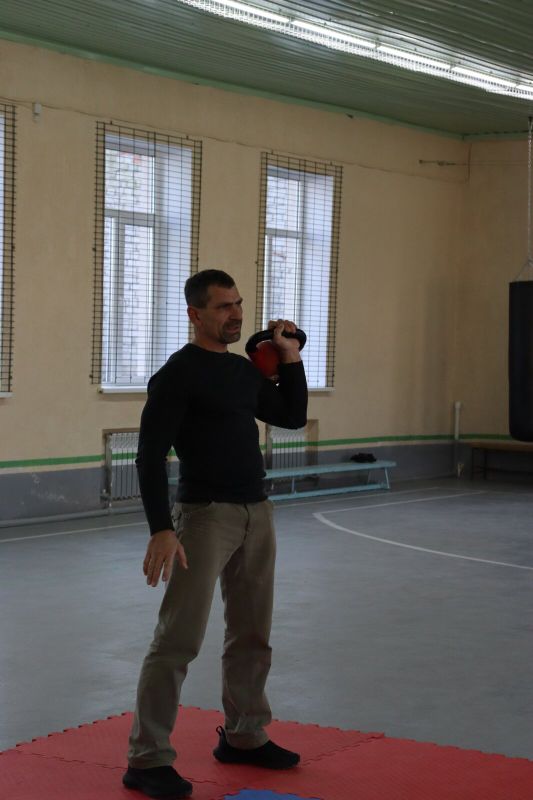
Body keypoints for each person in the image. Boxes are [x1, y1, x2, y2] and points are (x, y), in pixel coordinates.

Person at [123, 269, 308, 799]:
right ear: (195, 314)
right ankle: (147, 758)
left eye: (239, 304)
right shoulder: (177, 375)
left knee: (252, 633)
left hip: (257, 512)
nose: (236, 314)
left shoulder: (242, 372)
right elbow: (149, 456)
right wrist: (162, 529)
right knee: (177, 640)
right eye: (224, 306)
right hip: (204, 517)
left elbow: (292, 416)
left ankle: (245, 735)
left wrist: (290, 358)